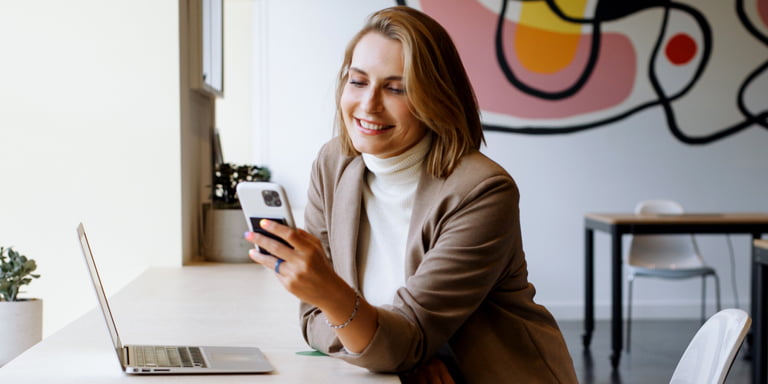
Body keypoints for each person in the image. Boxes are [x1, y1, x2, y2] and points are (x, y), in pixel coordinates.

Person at [244, 6, 577, 383]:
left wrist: (389, 345)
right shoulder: (332, 165)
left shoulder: (482, 191)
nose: (368, 104)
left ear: (435, 97)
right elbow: (314, 321)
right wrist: (394, 353)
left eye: (396, 88)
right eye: (357, 81)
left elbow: (364, 329)